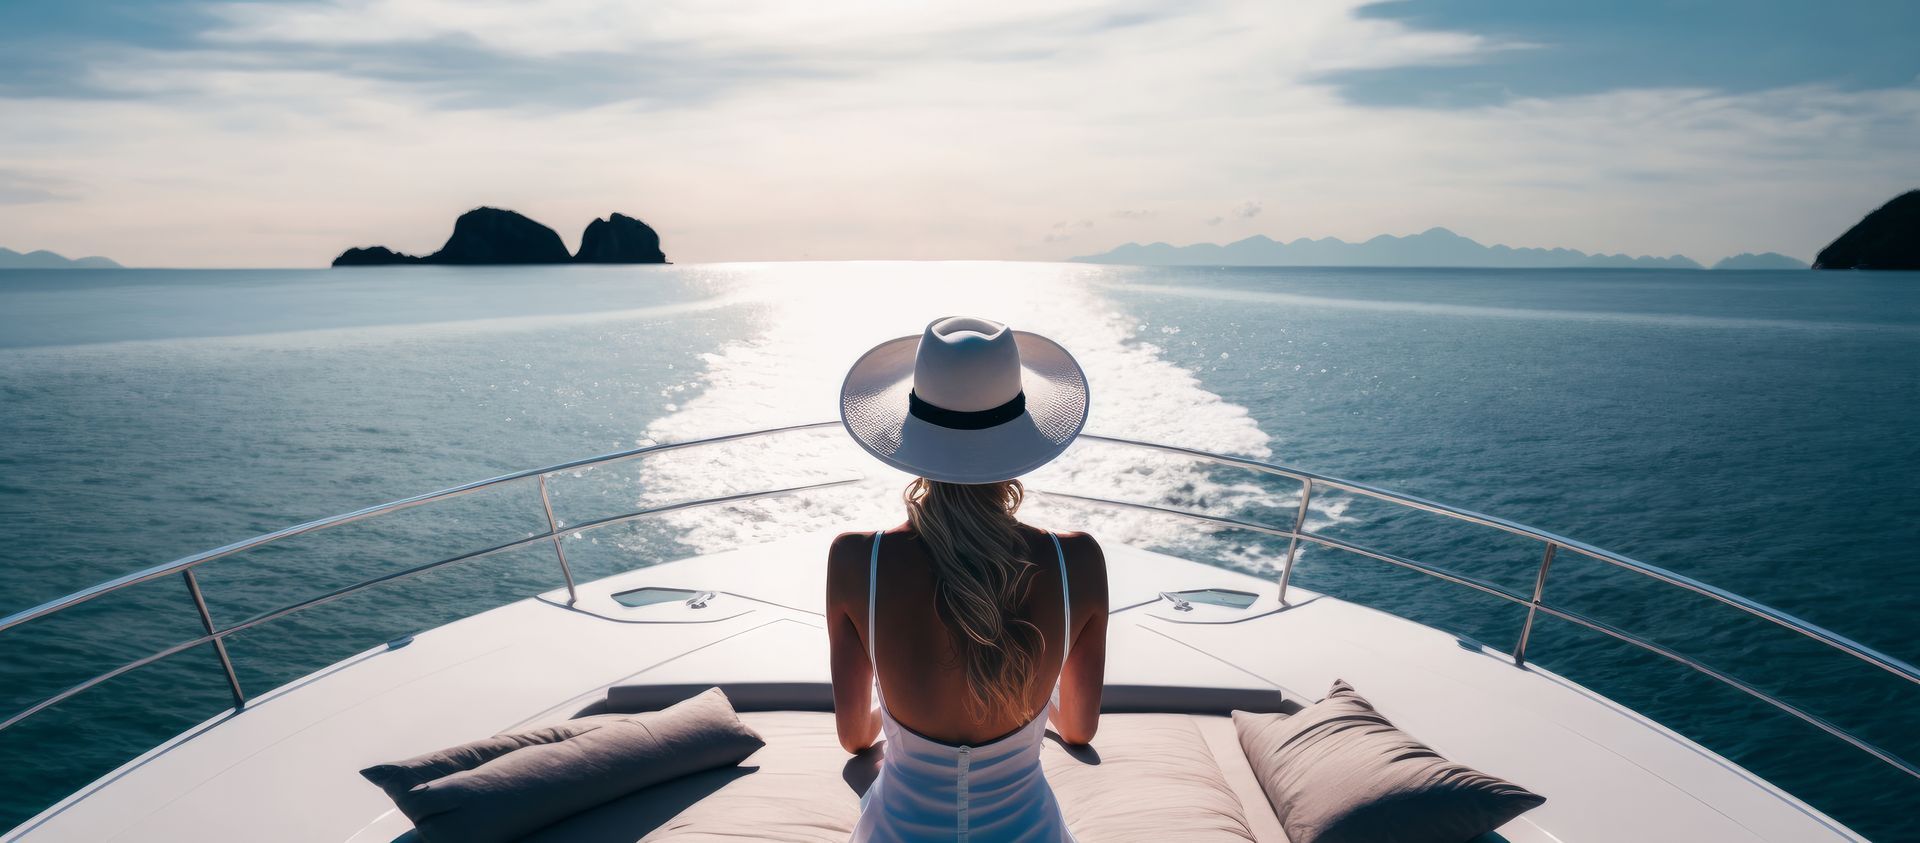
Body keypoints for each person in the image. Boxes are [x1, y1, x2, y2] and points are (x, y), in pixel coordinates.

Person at [828, 316, 1108, 842]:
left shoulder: (855, 561)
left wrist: (895, 714)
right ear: (1019, 436)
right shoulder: (1078, 563)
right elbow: (1077, 729)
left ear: (912, 432)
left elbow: (853, 738)